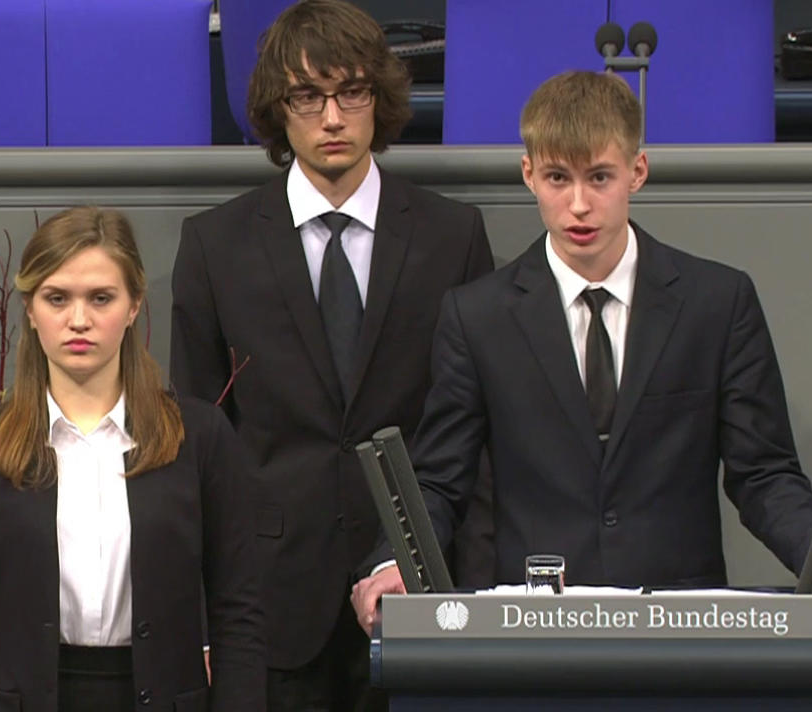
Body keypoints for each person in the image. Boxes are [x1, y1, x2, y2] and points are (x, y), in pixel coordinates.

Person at [352, 70, 812, 640]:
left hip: (680, 634)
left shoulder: (717, 303)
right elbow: (440, 479)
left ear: (638, 171)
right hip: (535, 635)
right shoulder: (476, 316)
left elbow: (764, 475)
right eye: (558, 178)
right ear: (529, 174)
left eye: (599, 177)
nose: (578, 205)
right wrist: (393, 564)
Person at [170, 1, 493, 709]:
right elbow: (194, 446)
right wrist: (201, 617)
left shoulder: (452, 236)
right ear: (276, 109)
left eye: (351, 92)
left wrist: (467, 585)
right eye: (307, 97)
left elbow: (475, 432)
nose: (333, 117)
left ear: (379, 98)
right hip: (268, 602)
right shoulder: (214, 246)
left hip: (420, 590)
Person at [0, 207, 265, 712]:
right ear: (30, 308)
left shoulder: (199, 438)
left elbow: (238, 613)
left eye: (101, 298)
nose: (79, 320)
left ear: (134, 306)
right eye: (57, 298)